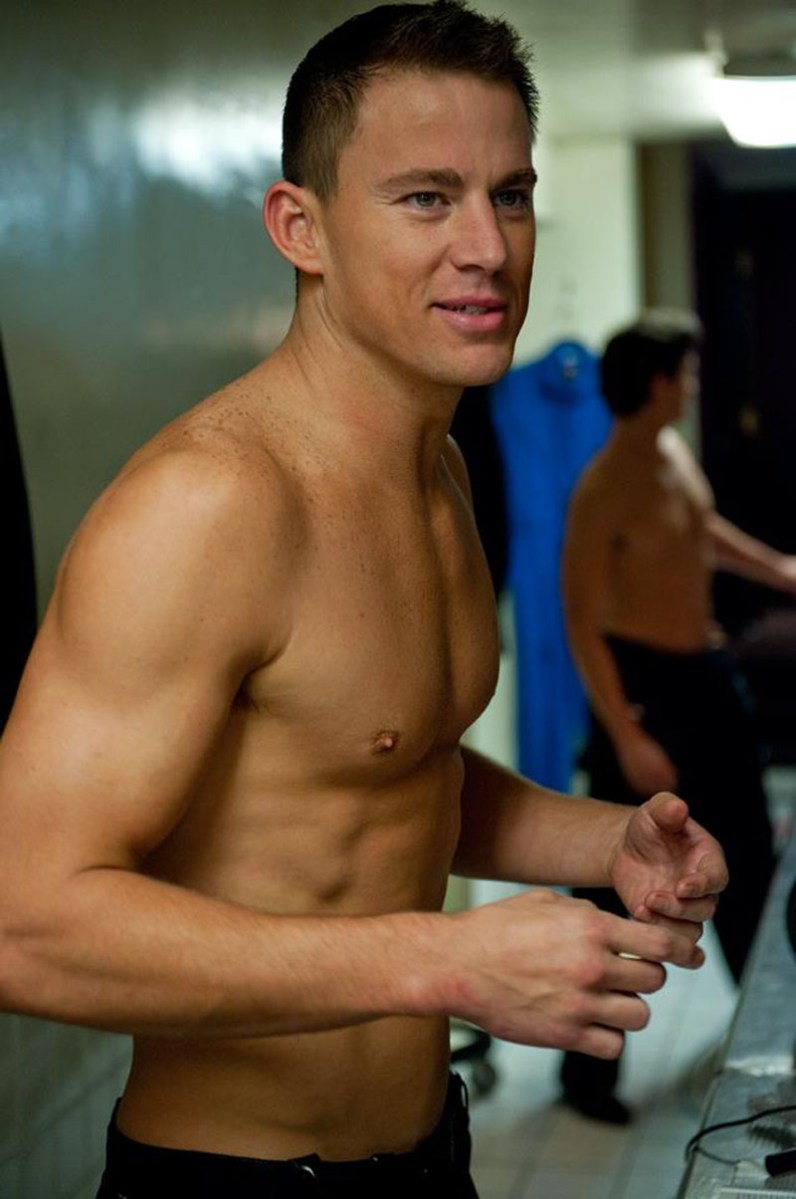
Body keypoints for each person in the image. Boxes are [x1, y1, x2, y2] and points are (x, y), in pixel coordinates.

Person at [0, 9, 727, 1198]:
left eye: (509, 194)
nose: (487, 247)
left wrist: (602, 838)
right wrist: (443, 960)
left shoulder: (438, 471)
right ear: (302, 228)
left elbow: (388, 765)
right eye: (425, 198)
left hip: (427, 1150)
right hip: (232, 1176)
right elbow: (21, 922)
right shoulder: (211, 505)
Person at [560, 308, 792, 1125]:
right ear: (657, 383)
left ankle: (775, 1039)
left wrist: (780, 569)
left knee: (754, 861)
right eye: (686, 373)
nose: (694, 385)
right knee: (610, 886)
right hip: (644, 694)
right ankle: (586, 1077)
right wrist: (626, 733)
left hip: (706, 679)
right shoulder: (604, 488)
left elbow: (703, 531)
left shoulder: (671, 453)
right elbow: (579, 619)